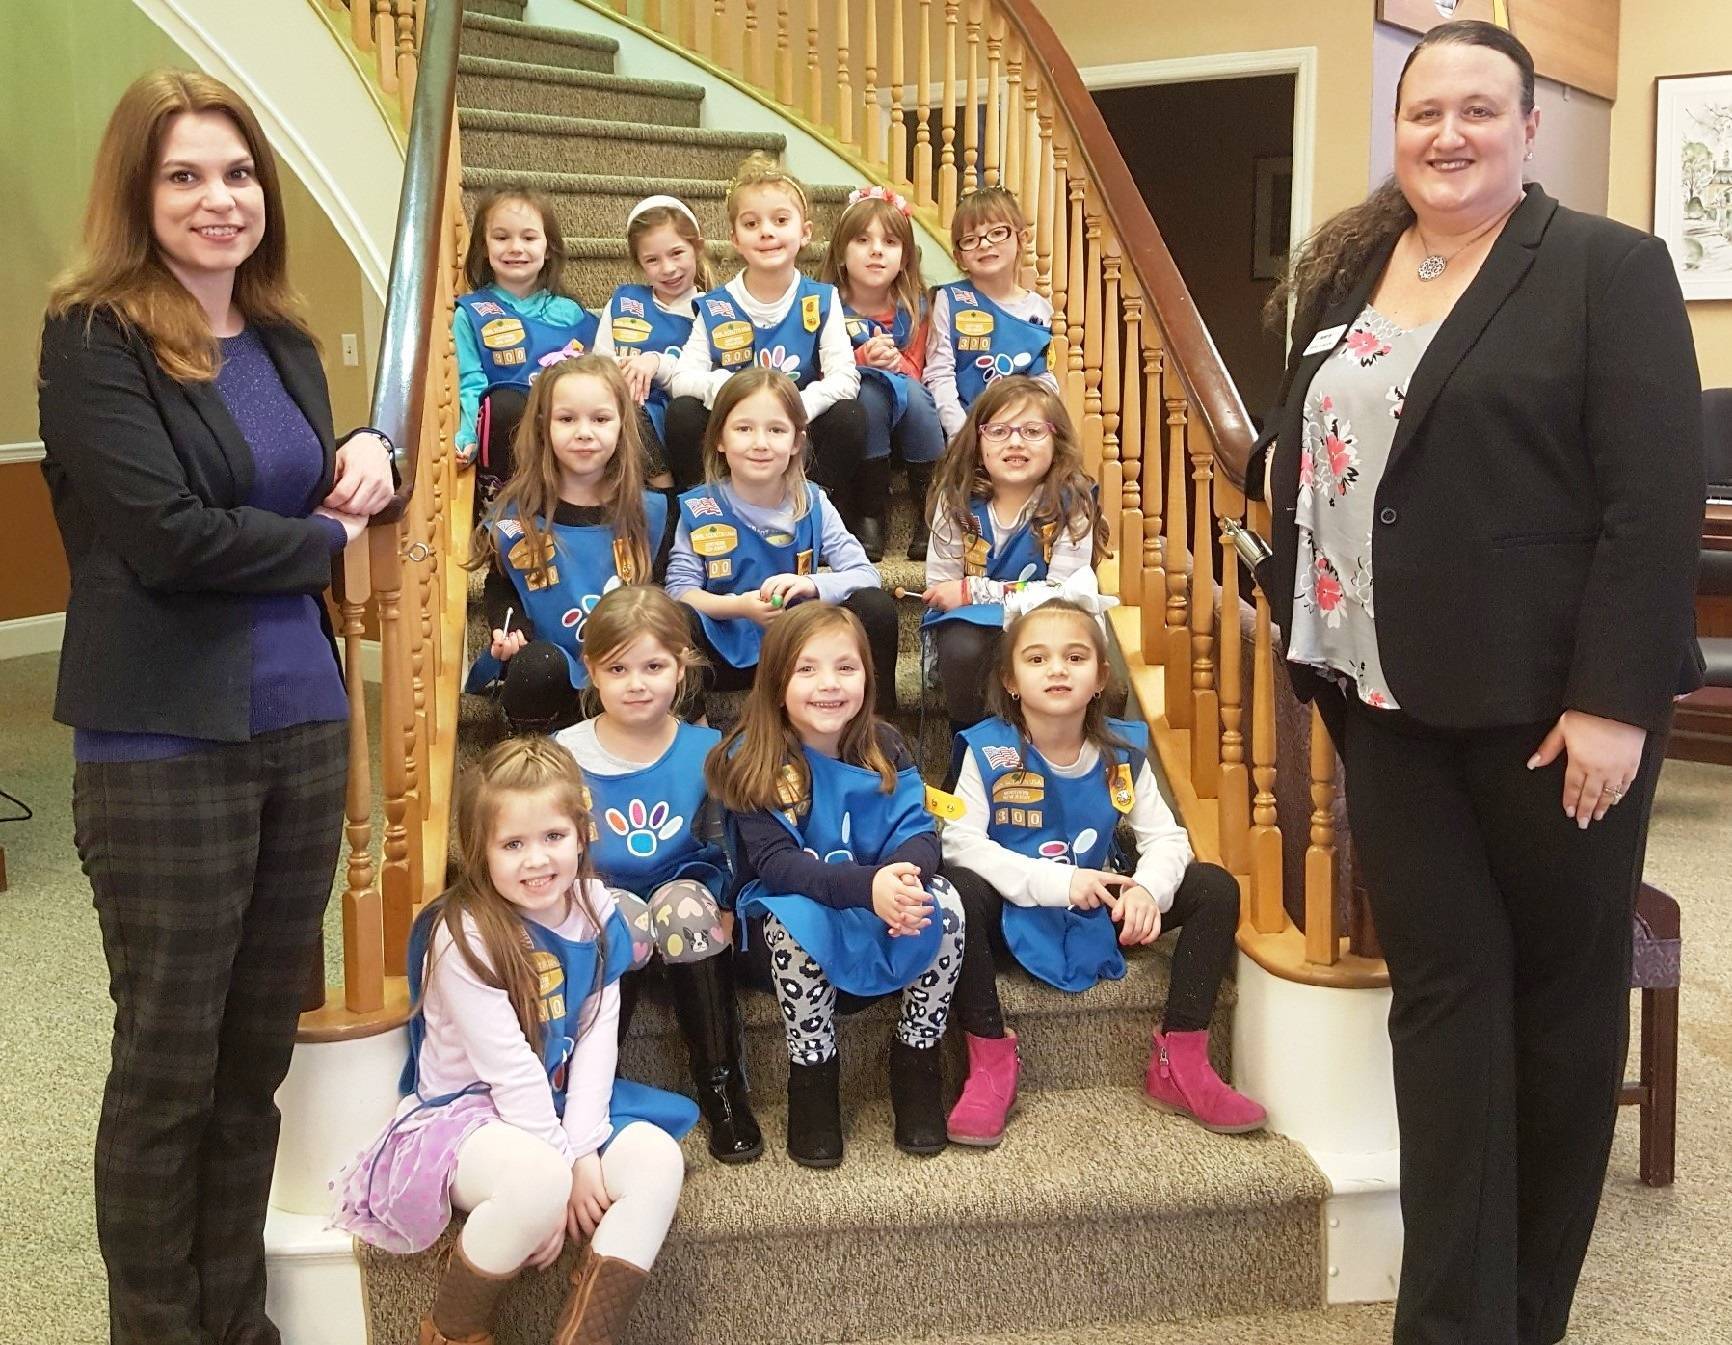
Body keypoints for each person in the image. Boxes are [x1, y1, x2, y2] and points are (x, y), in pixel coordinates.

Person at [1246, 21, 1704, 1345]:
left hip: (1553, 712)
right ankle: (1451, 1317)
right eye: (1424, 111)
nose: (1448, 135)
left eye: (1479, 112)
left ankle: (1527, 1313)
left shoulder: (1606, 269)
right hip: (1378, 696)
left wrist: (1616, 700)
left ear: (1528, 126)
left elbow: (1652, 503)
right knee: (1444, 1005)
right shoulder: (1349, 266)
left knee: (1559, 1012)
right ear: (1398, 127)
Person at [36, 70, 396, 1343]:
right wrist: (328, 536)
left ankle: (236, 1321)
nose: (218, 198)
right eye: (184, 174)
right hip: (163, 746)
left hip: (300, 727)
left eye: (237, 172)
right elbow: (170, 538)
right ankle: (157, 1325)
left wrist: (371, 451)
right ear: (139, 193)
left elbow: (309, 473)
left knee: (254, 1066)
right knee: (169, 1069)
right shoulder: (92, 339)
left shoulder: (286, 339)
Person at [331, 737, 698, 1345]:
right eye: (512, 844)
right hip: (465, 1114)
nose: (537, 861)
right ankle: (452, 1331)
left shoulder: (594, 907)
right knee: (537, 1182)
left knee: (657, 1158)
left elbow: (596, 1037)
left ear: (582, 834)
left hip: (554, 1101)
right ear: (479, 850)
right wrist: (562, 1173)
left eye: (554, 837)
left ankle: (586, 1335)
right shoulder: (465, 935)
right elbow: (509, 1071)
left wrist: (583, 1150)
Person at [940, 600, 1265, 1147]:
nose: (1058, 669)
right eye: (1037, 658)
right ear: (1010, 679)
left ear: (1100, 677)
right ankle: (990, 1057)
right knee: (959, 891)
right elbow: (961, 843)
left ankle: (1180, 1059)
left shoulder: (1121, 752)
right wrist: (1057, 884)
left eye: (1075, 657)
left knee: (1214, 887)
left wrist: (1146, 890)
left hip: (1095, 910)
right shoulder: (987, 748)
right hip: (1013, 915)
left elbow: (1167, 840)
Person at [706, 603, 966, 1166]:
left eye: (846, 668)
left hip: (877, 907)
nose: (829, 684)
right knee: (793, 920)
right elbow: (778, 865)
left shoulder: (886, 744)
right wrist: (869, 886)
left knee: (948, 904)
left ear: (869, 678)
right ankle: (813, 1075)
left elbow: (922, 835)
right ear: (776, 684)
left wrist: (902, 881)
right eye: (807, 670)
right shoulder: (751, 758)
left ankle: (917, 1057)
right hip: (791, 914)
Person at [553, 585, 764, 1163]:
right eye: (618, 668)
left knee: (684, 909)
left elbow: (728, 843)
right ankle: (591, 1091)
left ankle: (721, 1086)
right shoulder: (561, 757)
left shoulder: (708, 749)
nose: (637, 682)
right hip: (599, 896)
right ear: (591, 670)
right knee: (616, 913)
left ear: (681, 666)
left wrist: (728, 902)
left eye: (653, 666)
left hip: (684, 893)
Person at [666, 367, 900, 719]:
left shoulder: (813, 502)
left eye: (776, 430)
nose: (760, 443)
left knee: (874, 607)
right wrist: (739, 607)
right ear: (719, 439)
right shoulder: (700, 506)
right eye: (744, 429)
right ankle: (692, 732)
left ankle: (877, 731)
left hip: (801, 652)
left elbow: (866, 574)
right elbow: (679, 591)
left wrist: (810, 583)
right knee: (675, 621)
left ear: (795, 442)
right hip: (725, 653)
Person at [465, 354, 670, 734]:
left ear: (622, 425)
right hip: (550, 660)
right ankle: (530, 749)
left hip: (627, 664)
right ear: (544, 427)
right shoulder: (516, 515)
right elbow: (501, 585)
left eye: (600, 419)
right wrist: (508, 630)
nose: (584, 432)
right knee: (536, 666)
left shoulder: (650, 511)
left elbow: (660, 593)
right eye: (567, 419)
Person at [665, 154, 867, 510]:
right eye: (751, 223)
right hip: (736, 435)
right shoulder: (716, 305)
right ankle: (709, 512)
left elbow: (845, 377)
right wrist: (724, 390)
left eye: (780, 220)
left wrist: (796, 408)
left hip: (793, 434)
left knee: (850, 414)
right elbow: (682, 378)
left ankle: (808, 510)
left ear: (804, 233)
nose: (767, 231)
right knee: (682, 412)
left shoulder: (822, 299)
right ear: (735, 239)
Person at [921, 376, 1106, 737]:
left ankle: (1047, 745)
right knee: (961, 639)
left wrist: (973, 591)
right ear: (978, 442)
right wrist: (966, 596)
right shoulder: (956, 502)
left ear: (1057, 440)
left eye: (1033, 430)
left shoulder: (1073, 503)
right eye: (999, 431)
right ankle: (969, 745)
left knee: (1055, 642)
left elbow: (1064, 596)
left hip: (1051, 624)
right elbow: (942, 590)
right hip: (975, 637)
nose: (1016, 441)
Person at [453, 187, 618, 501]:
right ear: (484, 248)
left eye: (528, 238)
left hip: (566, 427)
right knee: (504, 402)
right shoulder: (470, 313)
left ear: (548, 249)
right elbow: (470, 383)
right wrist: (466, 433)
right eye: (502, 238)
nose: (516, 248)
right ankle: (500, 505)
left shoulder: (573, 313)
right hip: (507, 429)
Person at [819, 185, 945, 561]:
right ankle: (870, 512)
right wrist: (861, 360)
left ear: (905, 257)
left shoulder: (918, 308)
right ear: (841, 253)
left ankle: (930, 509)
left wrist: (895, 365)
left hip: (913, 424)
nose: (876, 250)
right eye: (862, 240)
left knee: (911, 394)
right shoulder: (825, 307)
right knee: (870, 392)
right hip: (861, 433)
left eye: (889, 242)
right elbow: (821, 372)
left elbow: (922, 373)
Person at [923, 184, 1060, 439]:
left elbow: (1044, 380)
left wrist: (1029, 427)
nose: (985, 244)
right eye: (971, 239)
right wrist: (962, 435)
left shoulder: (1040, 309)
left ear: (1022, 239)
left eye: (997, 233)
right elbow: (939, 374)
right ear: (959, 256)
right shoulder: (948, 300)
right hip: (964, 433)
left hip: (1024, 435)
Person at [593, 194, 711, 463]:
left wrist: (655, 363)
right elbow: (599, 361)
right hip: (623, 407)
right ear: (639, 263)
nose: (668, 268)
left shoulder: (711, 309)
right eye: (652, 260)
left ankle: (667, 488)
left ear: (698, 248)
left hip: (681, 419)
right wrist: (628, 366)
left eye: (677, 253)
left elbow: (706, 379)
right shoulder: (623, 303)